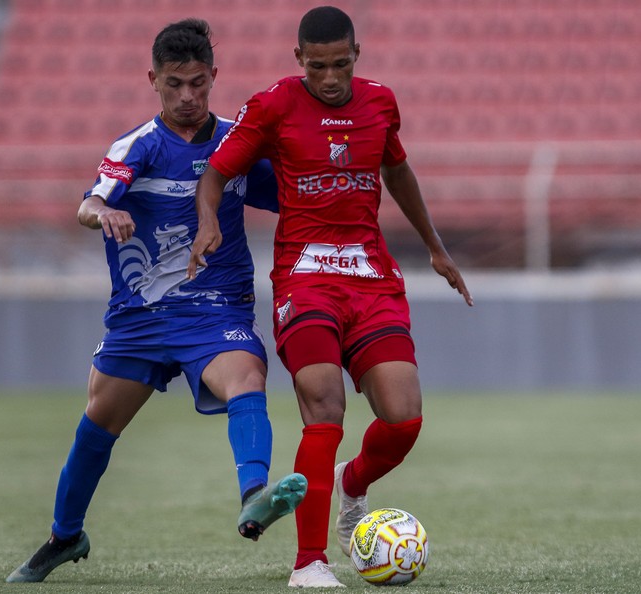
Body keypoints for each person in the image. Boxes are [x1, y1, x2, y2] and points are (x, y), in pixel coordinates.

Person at [6, 19, 307, 583]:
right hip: (140, 318)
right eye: (175, 85)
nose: (188, 97)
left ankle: (254, 495)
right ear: (153, 81)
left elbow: (291, 192)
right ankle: (64, 537)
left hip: (215, 309)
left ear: (214, 77)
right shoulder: (137, 146)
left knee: (247, 379)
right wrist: (108, 211)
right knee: (97, 426)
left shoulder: (235, 145)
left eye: (198, 83)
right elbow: (88, 206)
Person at [187, 6, 473, 588]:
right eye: (318, 67)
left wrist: (436, 247)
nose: (331, 78)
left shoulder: (381, 103)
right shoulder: (272, 105)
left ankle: (350, 484)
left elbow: (399, 173)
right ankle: (309, 564)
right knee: (324, 407)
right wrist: (206, 221)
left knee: (404, 419)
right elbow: (214, 174)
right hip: (305, 278)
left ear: (356, 55)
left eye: (341, 64)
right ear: (300, 61)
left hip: (371, 278)